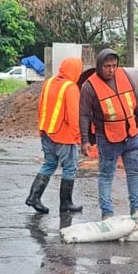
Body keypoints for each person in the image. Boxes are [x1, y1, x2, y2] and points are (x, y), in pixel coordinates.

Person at [79, 49, 138, 219]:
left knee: (134, 173)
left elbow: (135, 100)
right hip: (108, 138)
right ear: (99, 66)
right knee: (106, 175)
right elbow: (84, 114)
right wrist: (85, 140)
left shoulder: (124, 75)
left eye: (114, 66)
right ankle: (107, 213)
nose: (111, 70)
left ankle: (136, 209)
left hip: (131, 134)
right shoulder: (89, 87)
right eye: (107, 66)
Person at [25, 57, 84, 214]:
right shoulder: (70, 88)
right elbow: (74, 116)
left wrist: (41, 129)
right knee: (70, 168)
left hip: (46, 132)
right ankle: (66, 203)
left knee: (50, 164)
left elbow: (40, 107)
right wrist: (78, 138)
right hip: (63, 136)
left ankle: (34, 196)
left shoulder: (49, 82)